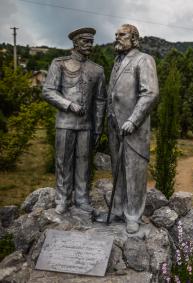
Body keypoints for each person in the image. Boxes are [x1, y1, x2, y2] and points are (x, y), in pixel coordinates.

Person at [42, 27, 106, 214]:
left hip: (87, 126)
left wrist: (98, 127)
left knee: (84, 163)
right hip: (65, 123)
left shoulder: (97, 70)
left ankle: (82, 199)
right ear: (75, 42)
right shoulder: (59, 64)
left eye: (91, 42)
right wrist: (69, 105)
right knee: (63, 162)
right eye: (85, 41)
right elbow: (48, 91)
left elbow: (101, 100)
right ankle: (62, 199)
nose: (89, 45)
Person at [107, 24, 159, 233]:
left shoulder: (144, 59)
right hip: (114, 125)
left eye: (122, 35)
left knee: (134, 172)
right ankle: (118, 209)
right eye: (116, 34)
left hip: (133, 128)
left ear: (134, 39)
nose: (117, 37)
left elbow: (150, 93)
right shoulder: (117, 62)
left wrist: (133, 119)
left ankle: (133, 215)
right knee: (117, 170)